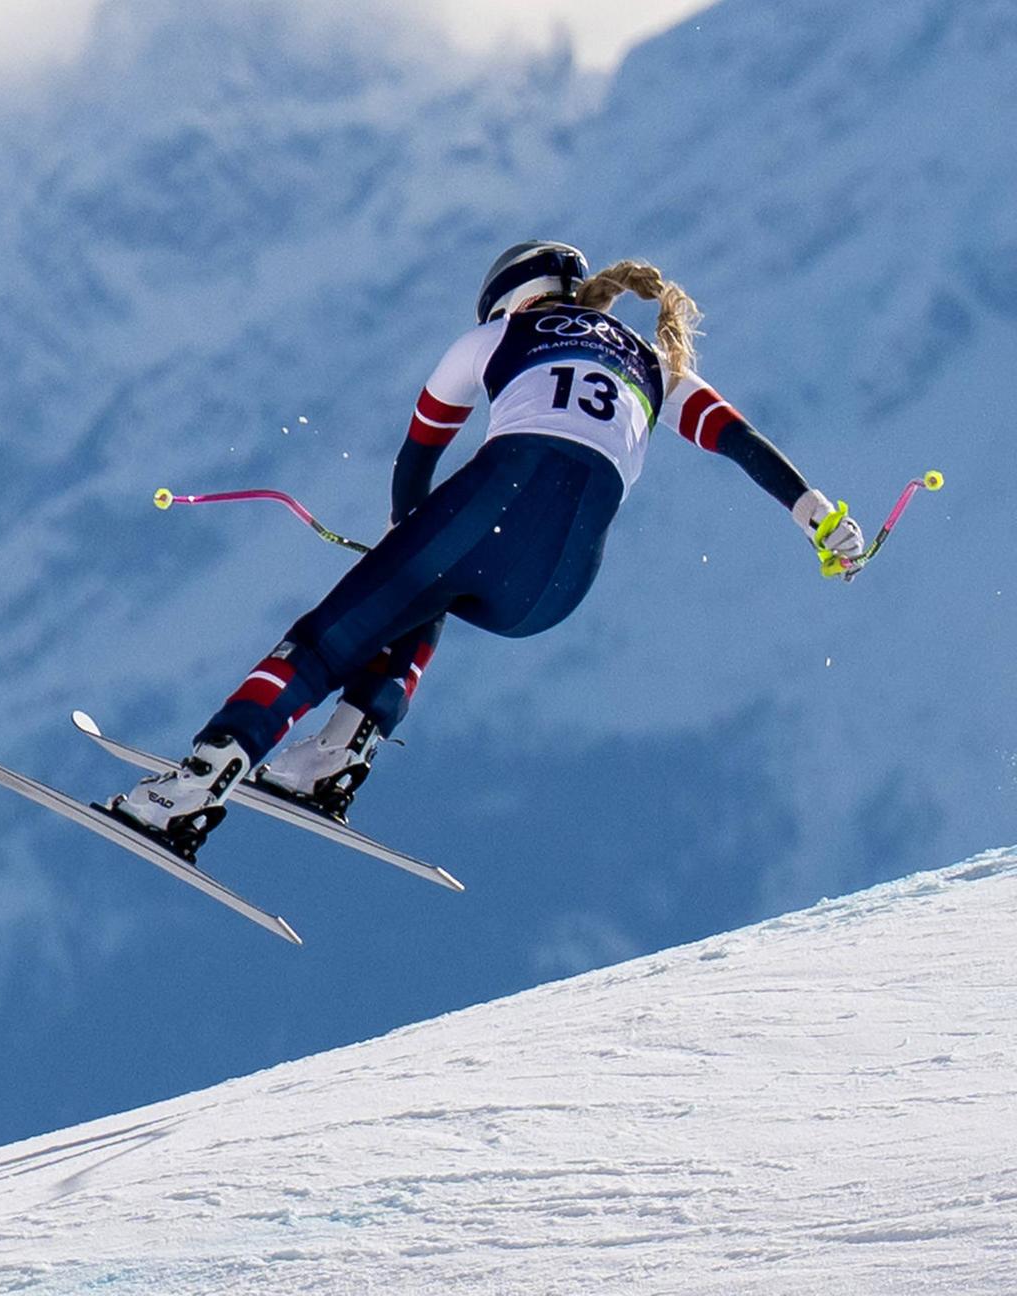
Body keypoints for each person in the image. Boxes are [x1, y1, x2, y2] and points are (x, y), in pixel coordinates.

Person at [106, 241, 864, 860]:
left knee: (329, 636)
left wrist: (399, 541)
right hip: (557, 590)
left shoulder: (496, 337)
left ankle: (192, 789)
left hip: (499, 502)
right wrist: (818, 518)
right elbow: (742, 442)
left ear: (509, 299)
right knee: (428, 588)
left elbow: (417, 456)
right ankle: (338, 755)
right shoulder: (656, 365)